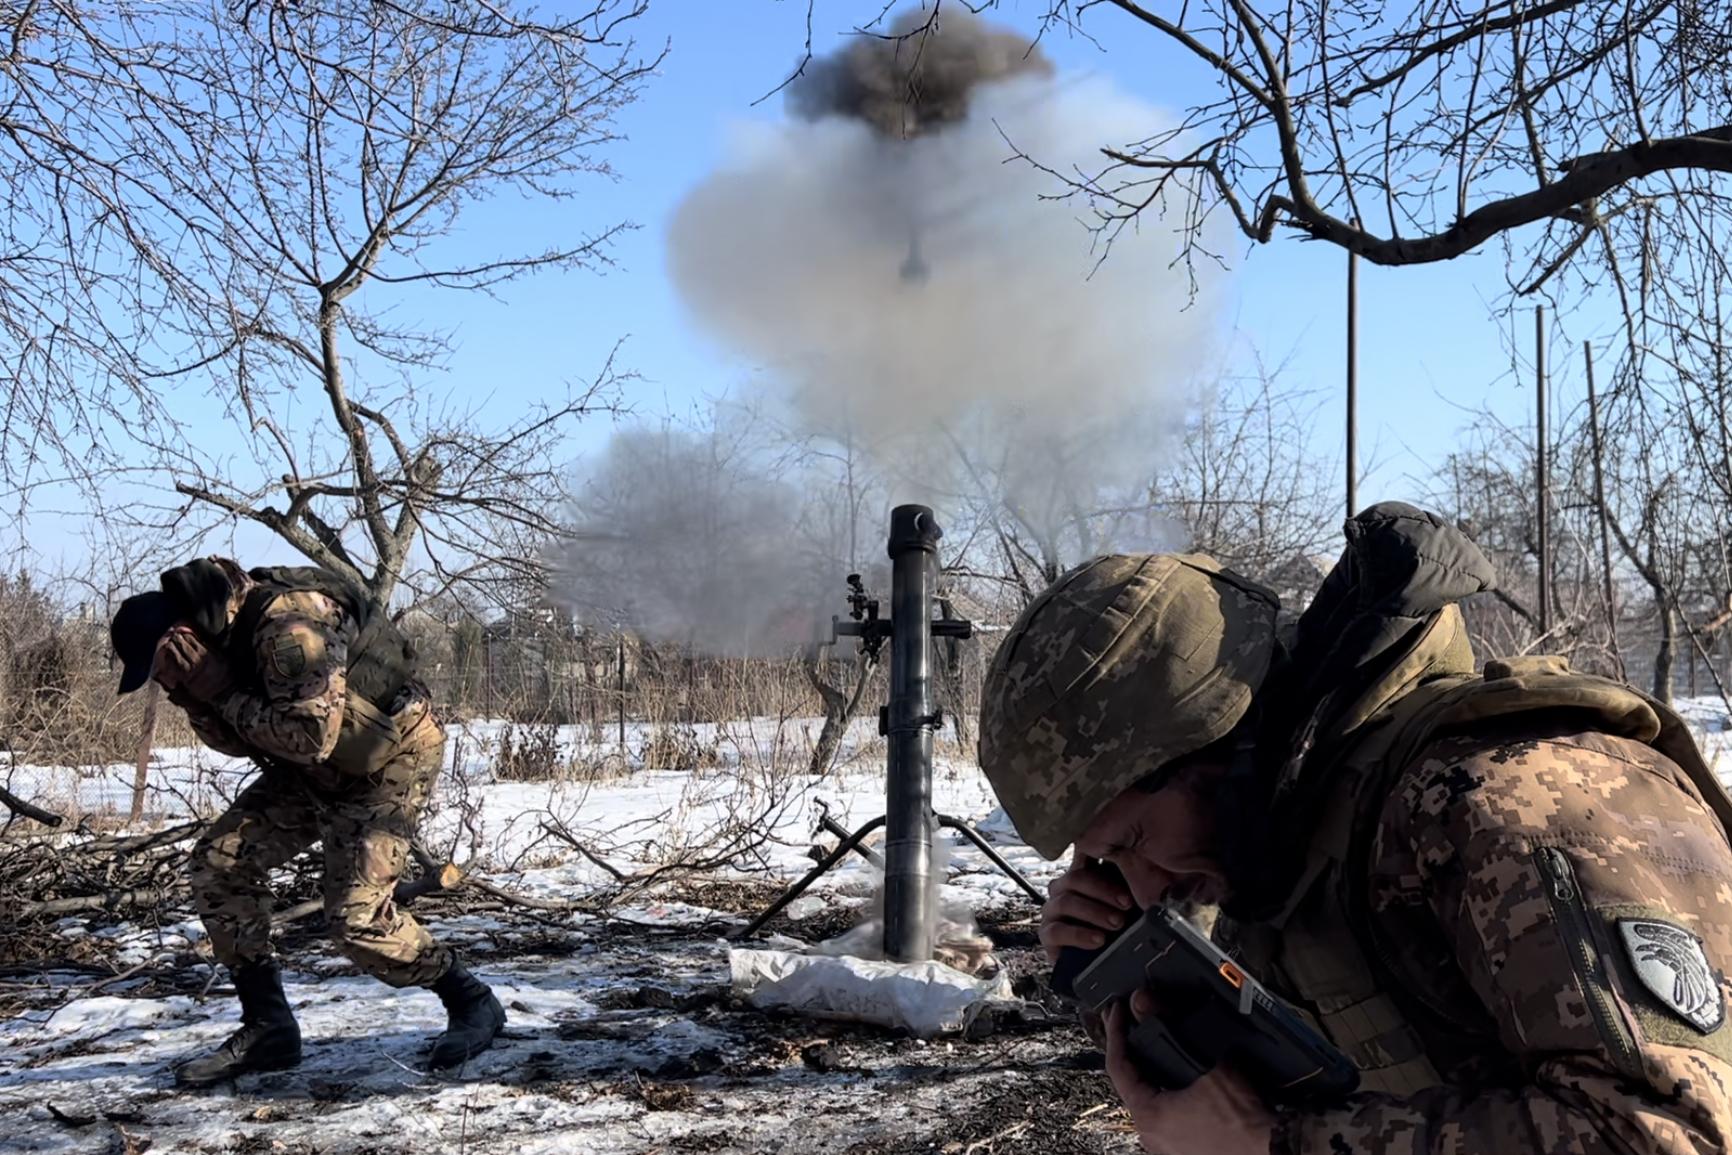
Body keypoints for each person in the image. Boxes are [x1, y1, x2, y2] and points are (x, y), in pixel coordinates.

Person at [977, 502, 1732, 1155]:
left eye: (1132, 843)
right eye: (1105, 860)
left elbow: (1665, 1133)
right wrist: (1122, 980)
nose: (1139, 887)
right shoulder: (1289, 841)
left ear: (1222, 745)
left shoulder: (1513, 797)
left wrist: (1280, 1146)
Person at [110, 557, 506, 1086]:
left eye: (159, 668)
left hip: (387, 760)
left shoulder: (290, 626)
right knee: (219, 865)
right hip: (313, 767)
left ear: (179, 634)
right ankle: (268, 1026)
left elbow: (308, 738)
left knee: (357, 923)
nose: (161, 681)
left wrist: (220, 691)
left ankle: (471, 999)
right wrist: (200, 695)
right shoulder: (213, 642)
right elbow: (241, 738)